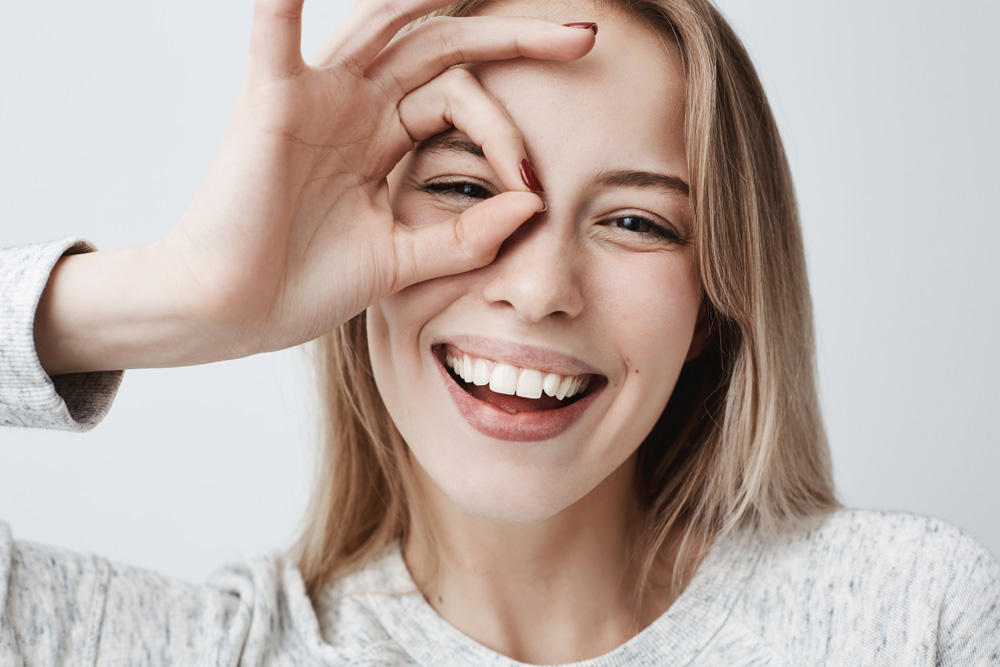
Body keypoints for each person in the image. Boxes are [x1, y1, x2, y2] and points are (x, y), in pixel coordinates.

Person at [1, 0, 997, 665]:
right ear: (355, 256)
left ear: (716, 302)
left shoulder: (913, 617)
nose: (538, 289)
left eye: (637, 222)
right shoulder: (210, 648)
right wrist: (180, 295)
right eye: (465, 189)